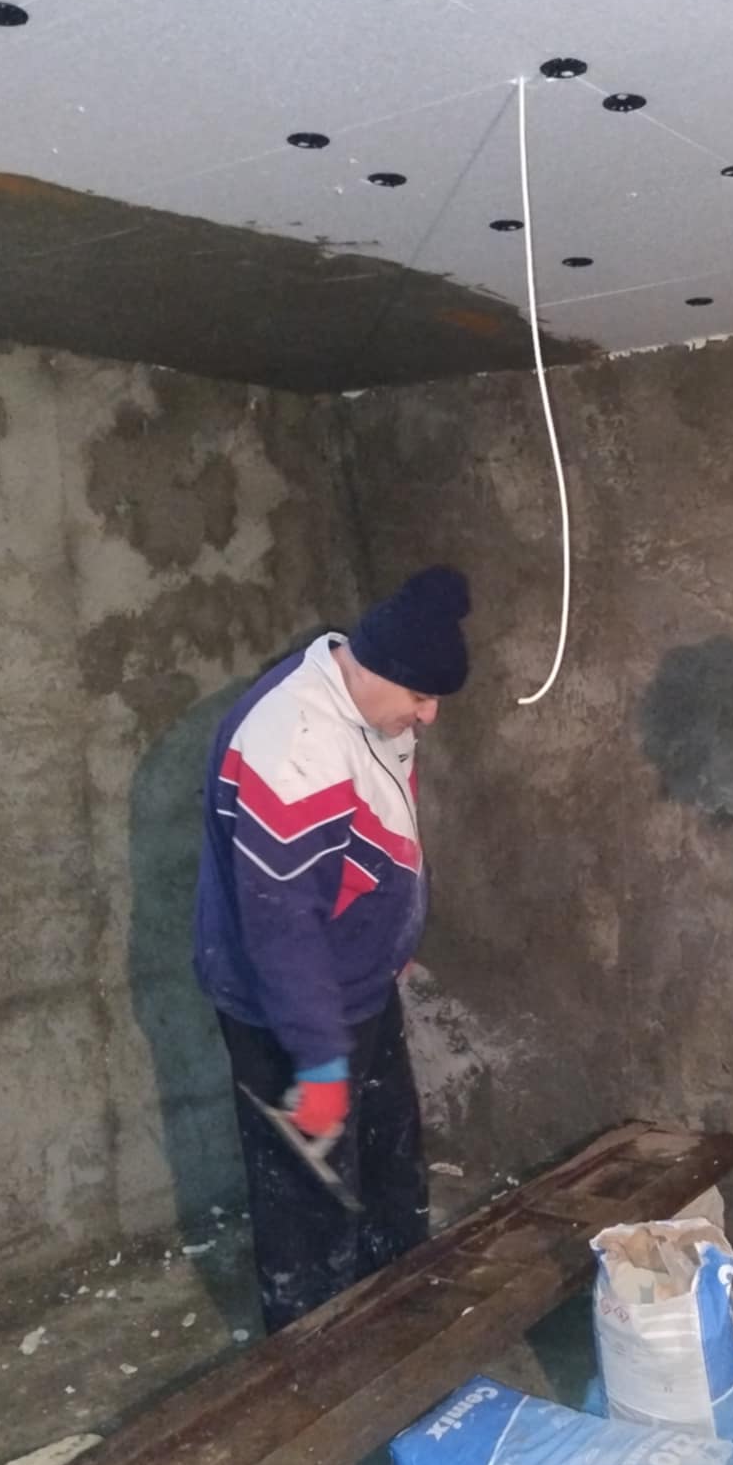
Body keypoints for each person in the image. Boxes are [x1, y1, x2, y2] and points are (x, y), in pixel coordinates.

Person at [193, 566, 471, 1333]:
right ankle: (313, 1361)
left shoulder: (370, 700)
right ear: (376, 669)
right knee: (311, 1209)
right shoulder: (293, 748)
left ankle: (401, 1327)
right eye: (421, 696)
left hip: (354, 982)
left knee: (387, 1169)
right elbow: (282, 929)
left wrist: (388, 940)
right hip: (286, 1008)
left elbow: (372, 832)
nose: (430, 715)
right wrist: (316, 1062)